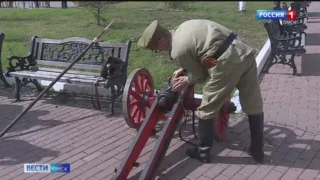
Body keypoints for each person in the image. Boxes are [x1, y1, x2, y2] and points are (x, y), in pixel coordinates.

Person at [137, 19, 265, 163]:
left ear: (161, 40)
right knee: (253, 102)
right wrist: (185, 68)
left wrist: (187, 80)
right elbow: (200, 48)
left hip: (225, 62)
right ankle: (257, 149)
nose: (158, 51)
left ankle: (203, 151)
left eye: (156, 48)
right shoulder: (183, 27)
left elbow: (201, 76)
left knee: (205, 110)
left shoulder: (178, 51)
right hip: (242, 51)